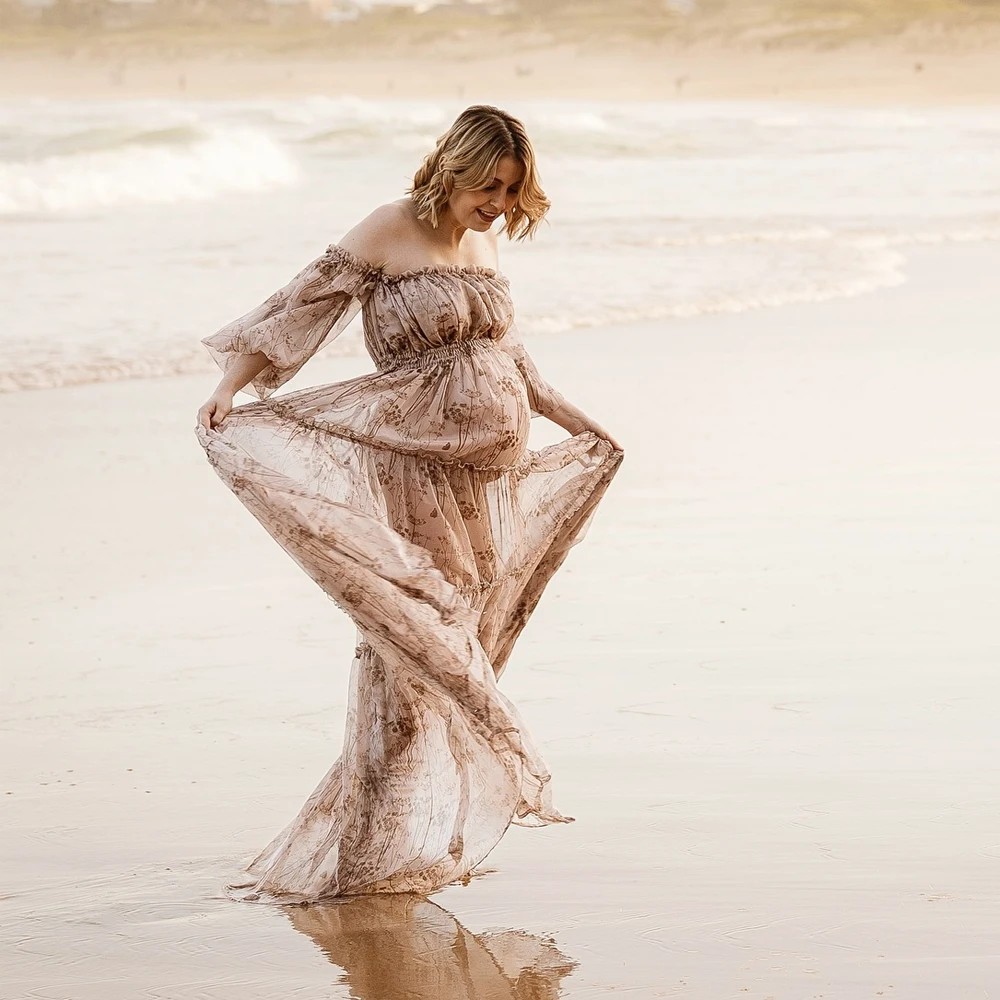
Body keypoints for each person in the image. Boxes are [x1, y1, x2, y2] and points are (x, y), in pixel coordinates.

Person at [195, 104, 623, 902]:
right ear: (455, 167)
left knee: (460, 631)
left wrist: (571, 416)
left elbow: (508, 356)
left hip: (485, 479)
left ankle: (407, 825)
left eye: (512, 190)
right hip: (414, 463)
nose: (498, 203)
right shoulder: (389, 227)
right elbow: (299, 307)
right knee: (413, 630)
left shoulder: (486, 242)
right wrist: (229, 387)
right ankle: (373, 837)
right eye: (490, 186)